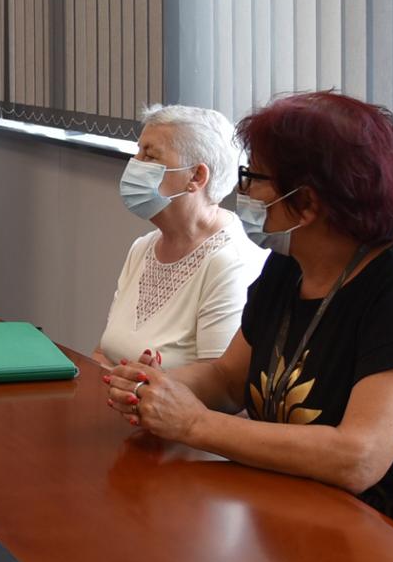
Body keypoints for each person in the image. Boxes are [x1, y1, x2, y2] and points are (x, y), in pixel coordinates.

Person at [106, 91, 393, 545]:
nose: (243, 192)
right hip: (300, 521)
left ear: (307, 203)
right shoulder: (290, 265)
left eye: (254, 178)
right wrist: (158, 389)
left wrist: (194, 424)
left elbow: (358, 457)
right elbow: (230, 379)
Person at [95, 104, 265, 369]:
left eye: (150, 157)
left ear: (196, 176)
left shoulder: (230, 262)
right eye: (137, 152)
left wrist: (146, 387)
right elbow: (104, 354)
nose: (133, 165)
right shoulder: (144, 247)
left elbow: (226, 392)